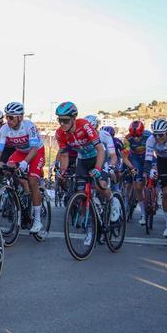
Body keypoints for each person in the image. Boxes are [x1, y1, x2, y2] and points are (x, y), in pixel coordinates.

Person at [54, 102, 115, 244]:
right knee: (81, 195)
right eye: (60, 120)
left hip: (97, 157)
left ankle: (113, 202)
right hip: (82, 160)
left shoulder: (84, 125)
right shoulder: (59, 134)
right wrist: (63, 171)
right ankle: (90, 231)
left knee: (100, 184)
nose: (62, 123)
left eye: (65, 120)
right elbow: (64, 156)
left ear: (74, 118)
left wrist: (98, 169)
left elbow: (100, 149)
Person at [0, 102, 46, 234]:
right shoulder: (4, 129)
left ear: (20, 117)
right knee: (8, 168)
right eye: (7, 117)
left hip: (35, 151)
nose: (8, 120)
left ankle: (37, 219)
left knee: (32, 180)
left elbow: (34, 149)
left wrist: (25, 162)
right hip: (20, 151)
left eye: (11, 117)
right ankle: (19, 193)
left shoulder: (28, 126)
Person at [123, 120, 152, 225]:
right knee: (138, 187)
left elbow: (156, 151)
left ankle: (153, 194)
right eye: (133, 136)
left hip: (148, 156)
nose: (135, 138)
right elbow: (125, 158)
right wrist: (132, 168)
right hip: (135, 158)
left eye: (138, 136)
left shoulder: (149, 136)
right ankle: (143, 213)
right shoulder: (127, 139)